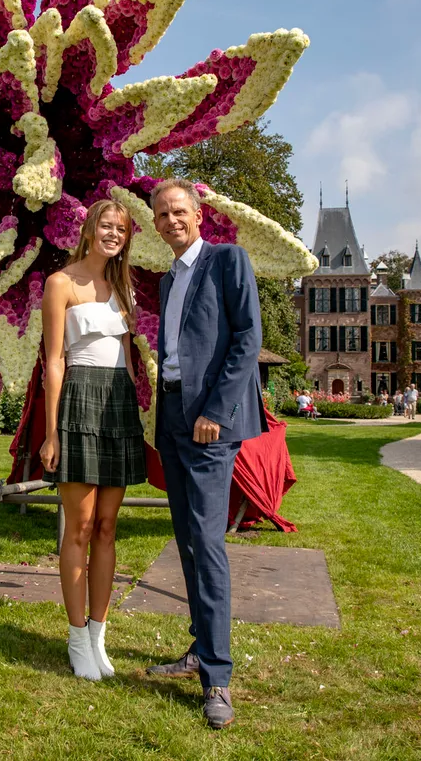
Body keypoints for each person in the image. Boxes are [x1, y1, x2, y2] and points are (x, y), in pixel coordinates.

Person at [145, 178, 266, 730]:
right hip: (171, 416)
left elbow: (246, 338)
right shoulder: (169, 280)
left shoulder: (226, 260)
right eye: (162, 214)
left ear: (198, 214)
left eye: (179, 211)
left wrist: (215, 411)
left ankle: (217, 676)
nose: (171, 220)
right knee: (188, 539)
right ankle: (200, 646)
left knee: (208, 542)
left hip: (209, 421)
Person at [39, 198, 146, 684]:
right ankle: (77, 637)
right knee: (78, 528)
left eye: (121, 230)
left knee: (107, 527)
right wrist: (52, 431)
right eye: (107, 226)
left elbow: (126, 359)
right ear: (89, 228)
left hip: (118, 404)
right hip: (78, 397)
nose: (113, 235)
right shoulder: (60, 283)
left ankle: (100, 637)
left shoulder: (124, 286)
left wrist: (137, 416)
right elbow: (54, 362)